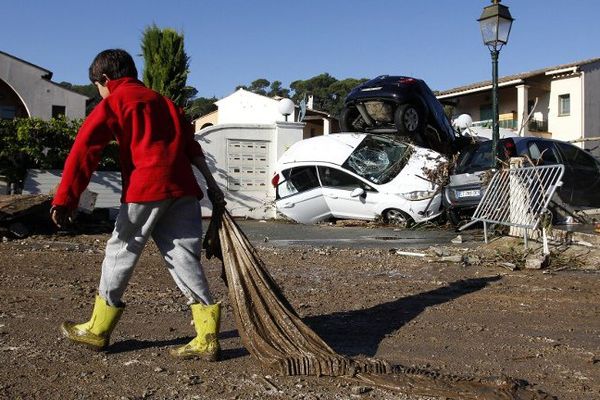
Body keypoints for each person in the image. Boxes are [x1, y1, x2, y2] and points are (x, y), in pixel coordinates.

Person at [51, 48, 225, 361]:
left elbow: (84, 150)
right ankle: (207, 336)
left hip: (145, 188)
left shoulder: (116, 101)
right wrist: (212, 186)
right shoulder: (165, 102)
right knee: (185, 258)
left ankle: (97, 329)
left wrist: (65, 199)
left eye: (97, 87)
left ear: (105, 79)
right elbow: (191, 147)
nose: (100, 93)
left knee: (120, 252)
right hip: (183, 189)